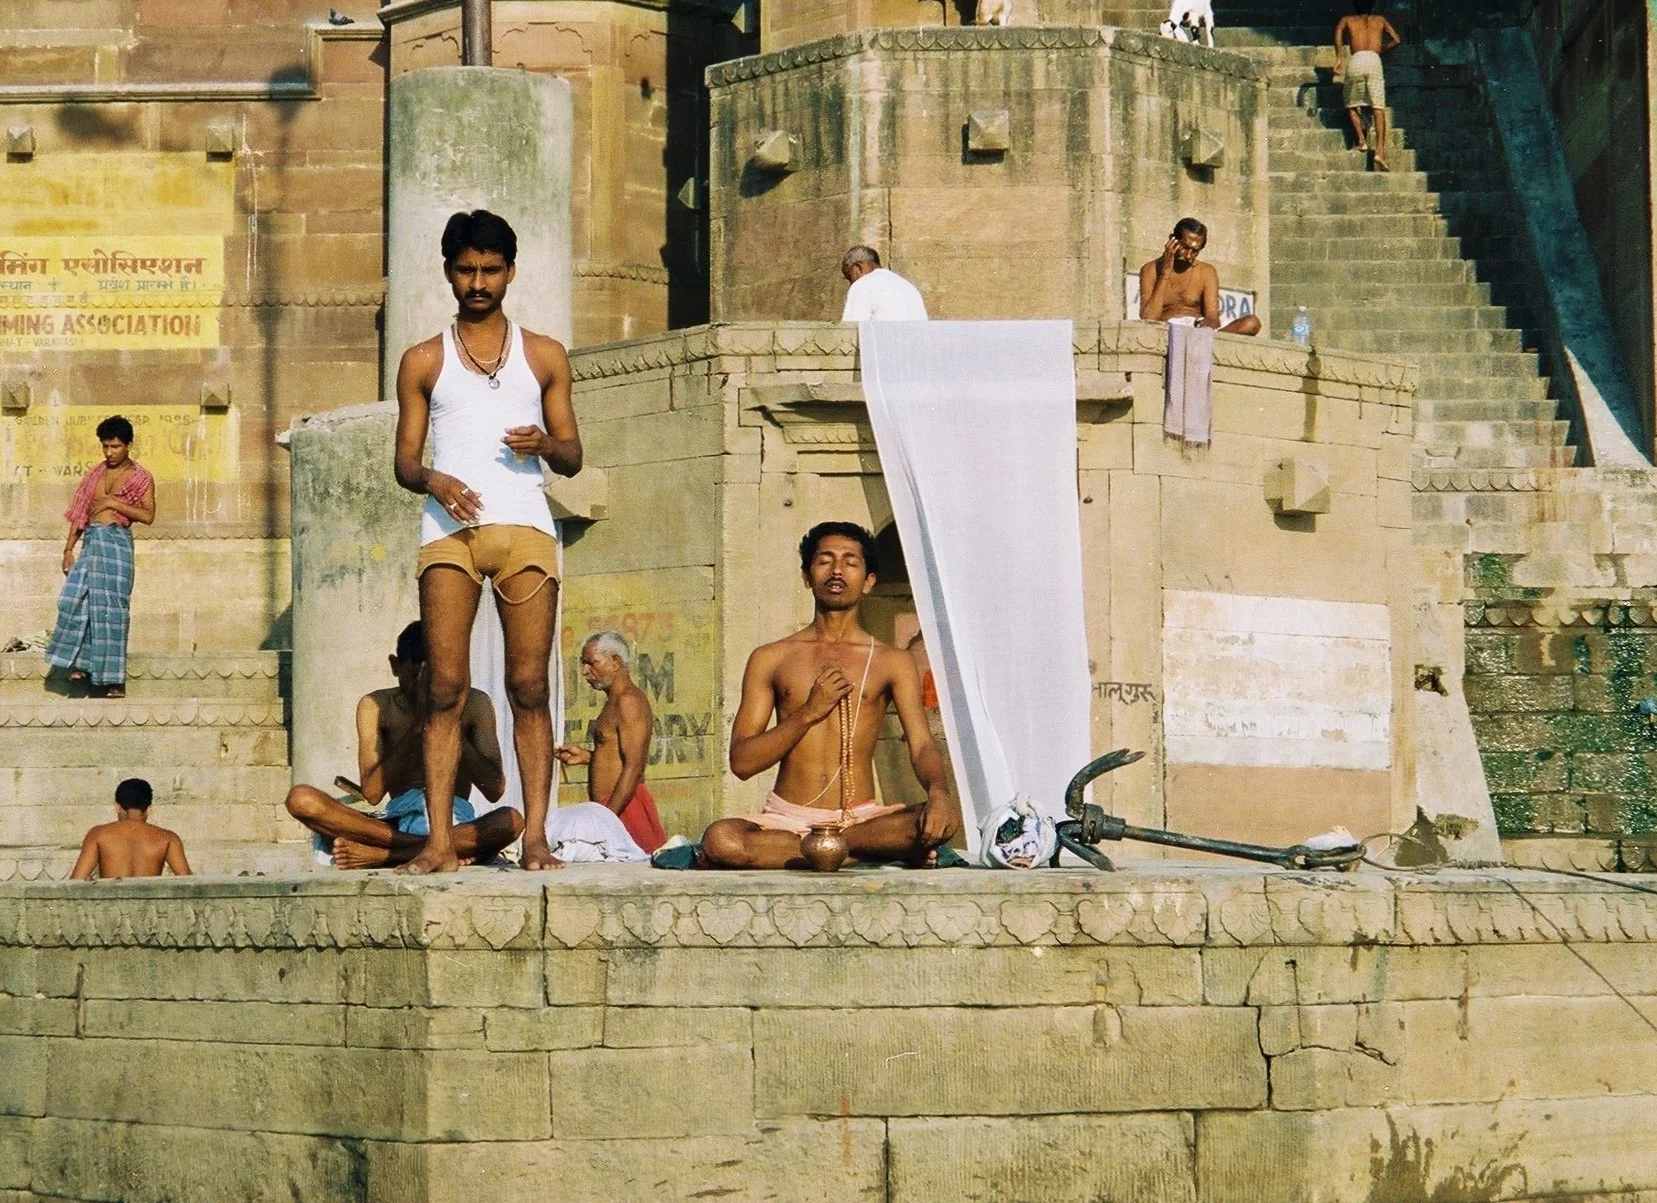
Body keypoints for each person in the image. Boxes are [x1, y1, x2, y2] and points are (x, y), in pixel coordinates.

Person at [393, 209, 582, 874]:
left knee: (528, 686)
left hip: (525, 527)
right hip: (450, 535)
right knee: (444, 686)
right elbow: (404, 462)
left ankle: (536, 838)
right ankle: (440, 841)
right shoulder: (422, 359)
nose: (478, 282)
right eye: (466, 269)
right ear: (447, 271)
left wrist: (545, 444)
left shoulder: (543, 355)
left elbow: (573, 455)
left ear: (510, 271)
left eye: (490, 270)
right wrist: (435, 480)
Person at [698, 522, 958, 869]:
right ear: (807, 575)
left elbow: (922, 744)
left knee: (938, 821)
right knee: (722, 840)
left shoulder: (892, 661)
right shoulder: (771, 657)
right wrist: (808, 711)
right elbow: (743, 763)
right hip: (787, 824)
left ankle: (837, 847)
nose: (837, 570)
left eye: (850, 562)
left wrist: (939, 793)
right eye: (825, 560)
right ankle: (850, 854)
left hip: (862, 823)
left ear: (869, 581)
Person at [282, 621, 525, 870]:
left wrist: (448, 727)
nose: (427, 688)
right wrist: (418, 726)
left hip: (454, 821)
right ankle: (431, 849)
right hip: (394, 824)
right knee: (301, 799)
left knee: (512, 821)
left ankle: (384, 856)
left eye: (436, 680)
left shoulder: (475, 704)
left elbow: (494, 789)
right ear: (395, 666)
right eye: (415, 678)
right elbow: (373, 793)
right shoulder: (377, 706)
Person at [45, 416, 156, 698]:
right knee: (73, 599)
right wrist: (68, 549)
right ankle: (80, 662)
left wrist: (112, 502)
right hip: (92, 542)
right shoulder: (94, 475)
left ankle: (113, 681)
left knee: (111, 611)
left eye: (115, 446)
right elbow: (80, 516)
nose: (109, 452)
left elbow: (148, 515)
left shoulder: (141, 477)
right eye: (105, 446)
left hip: (117, 543)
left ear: (128, 445)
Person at [554, 631, 668, 853]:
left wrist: (606, 819)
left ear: (615, 661)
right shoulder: (613, 701)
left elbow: (634, 766)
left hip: (625, 807)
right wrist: (587, 756)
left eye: (591, 663)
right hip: (612, 808)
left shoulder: (628, 701)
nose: (586, 672)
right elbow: (617, 754)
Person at [1137, 218, 1263, 336]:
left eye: (1195, 251)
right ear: (1172, 240)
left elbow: (1213, 318)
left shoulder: (1206, 272)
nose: (1188, 255)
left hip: (1199, 333)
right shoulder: (1150, 270)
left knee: (1252, 323)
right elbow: (1148, 318)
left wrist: (1205, 326)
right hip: (1166, 333)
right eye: (1185, 248)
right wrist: (1165, 272)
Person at [70, 778, 190, 880]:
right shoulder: (167, 838)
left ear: (117, 807)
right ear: (149, 809)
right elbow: (188, 884)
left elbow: (76, 881)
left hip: (111, 906)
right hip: (149, 907)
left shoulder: (98, 834)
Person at [1334, 0, 1402, 171]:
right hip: (1374, 59)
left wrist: (1339, 58)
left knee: (1351, 103)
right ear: (1372, 7)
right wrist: (1380, 50)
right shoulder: (1380, 19)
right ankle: (1379, 151)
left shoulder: (1347, 20)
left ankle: (1361, 141)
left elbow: (1338, 32)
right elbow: (1396, 40)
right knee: (1378, 106)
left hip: (1357, 60)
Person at [840, 246, 928, 322]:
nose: (851, 284)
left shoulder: (861, 285)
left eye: (850, 277)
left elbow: (850, 331)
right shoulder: (909, 287)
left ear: (859, 267)